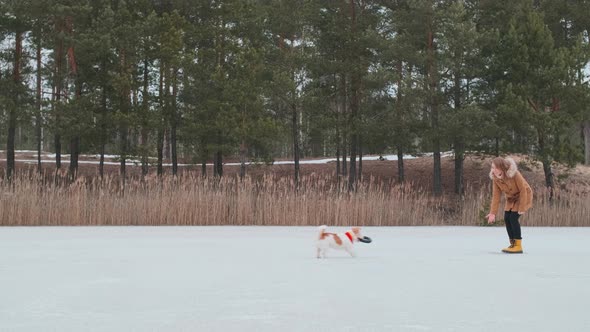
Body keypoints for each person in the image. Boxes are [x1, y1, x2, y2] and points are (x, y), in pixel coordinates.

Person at [486, 157, 533, 254]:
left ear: (501, 168)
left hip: (524, 196)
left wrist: (522, 207)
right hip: (511, 198)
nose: (492, 170)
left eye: (495, 167)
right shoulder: (495, 179)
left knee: (513, 218)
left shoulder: (514, 174)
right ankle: (512, 243)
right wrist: (492, 213)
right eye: (492, 167)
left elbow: (523, 190)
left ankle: (518, 246)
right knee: (507, 218)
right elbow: (496, 196)